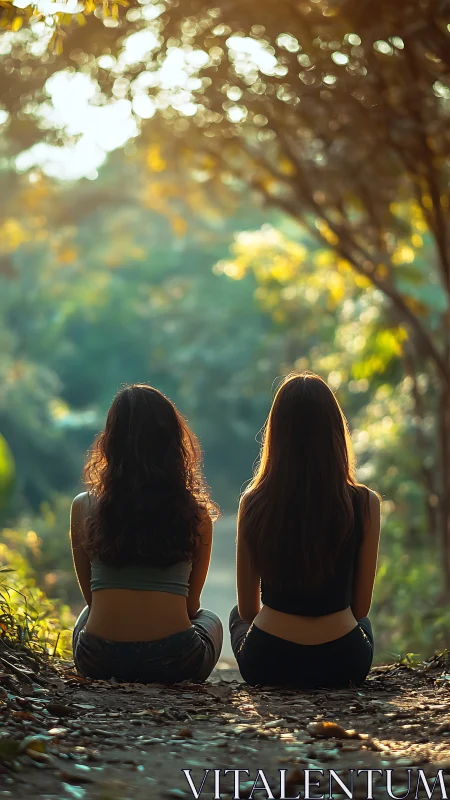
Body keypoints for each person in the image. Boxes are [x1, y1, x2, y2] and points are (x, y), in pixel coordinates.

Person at [229, 372, 380, 688]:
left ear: (276, 434)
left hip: (268, 660)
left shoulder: (253, 501)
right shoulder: (366, 502)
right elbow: (360, 608)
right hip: (343, 662)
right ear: (335, 432)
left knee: (233, 616)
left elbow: (247, 610)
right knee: (364, 624)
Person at [70, 384, 223, 683]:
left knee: (84, 618)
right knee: (211, 620)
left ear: (110, 441)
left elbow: (92, 598)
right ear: (174, 444)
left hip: (98, 660)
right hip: (176, 662)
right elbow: (191, 607)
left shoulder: (84, 506)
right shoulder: (197, 515)